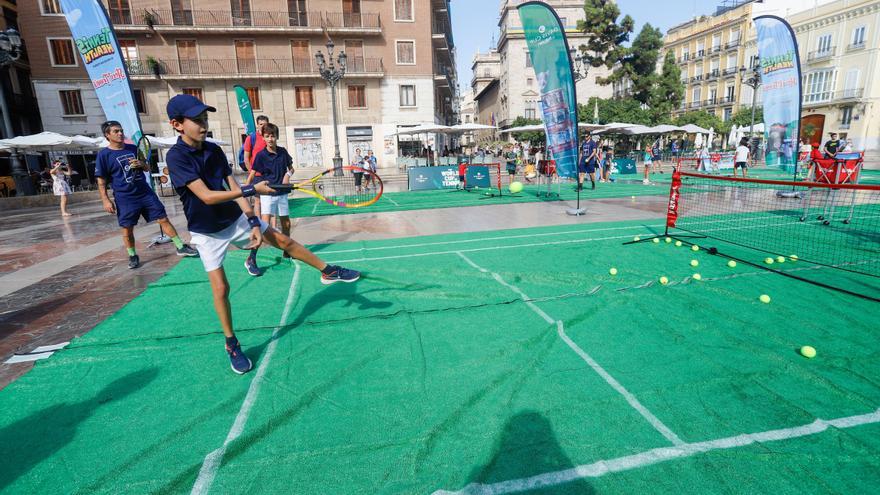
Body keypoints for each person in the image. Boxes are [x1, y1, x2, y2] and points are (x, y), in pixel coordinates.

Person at [164, 94, 360, 374]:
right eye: (197, 120)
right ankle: (231, 343)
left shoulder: (214, 150)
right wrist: (252, 189)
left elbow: (229, 183)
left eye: (205, 118)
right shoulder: (176, 157)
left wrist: (253, 220)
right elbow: (207, 196)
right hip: (206, 232)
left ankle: (328, 270)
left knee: (283, 240)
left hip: (234, 219)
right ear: (177, 124)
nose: (204, 124)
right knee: (221, 289)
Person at [95, 121, 198, 269]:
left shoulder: (132, 148)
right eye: (116, 131)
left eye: (121, 130)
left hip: (144, 192)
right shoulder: (104, 155)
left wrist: (141, 164)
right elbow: (101, 181)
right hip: (125, 197)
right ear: (107, 135)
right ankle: (132, 255)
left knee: (163, 218)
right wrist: (105, 200)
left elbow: (147, 167)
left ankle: (180, 246)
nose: (120, 133)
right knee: (127, 228)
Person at [251, 122, 294, 259]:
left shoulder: (283, 152)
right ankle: (252, 256)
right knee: (264, 226)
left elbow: (291, 168)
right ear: (263, 137)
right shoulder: (261, 155)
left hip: (282, 193)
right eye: (267, 136)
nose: (270, 139)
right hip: (268, 193)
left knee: (286, 224)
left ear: (277, 137)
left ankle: (287, 250)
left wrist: (287, 175)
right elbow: (253, 173)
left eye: (273, 136)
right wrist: (245, 189)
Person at [241, 115, 270, 277]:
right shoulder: (252, 138)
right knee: (258, 205)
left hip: (270, 178)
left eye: (265, 125)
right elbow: (247, 158)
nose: (263, 127)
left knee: (281, 222)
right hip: (257, 176)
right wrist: (251, 174)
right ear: (257, 126)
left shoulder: (270, 139)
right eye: (260, 125)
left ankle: (287, 251)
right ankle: (252, 257)